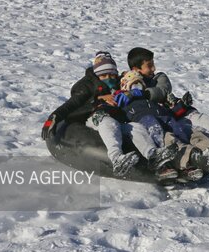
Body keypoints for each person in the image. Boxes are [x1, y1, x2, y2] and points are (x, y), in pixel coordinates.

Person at [41, 52, 178, 178]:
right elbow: (72, 104)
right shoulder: (87, 86)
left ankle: (152, 155)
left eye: (112, 74)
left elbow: (138, 85)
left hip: (115, 118)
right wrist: (54, 117)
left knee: (135, 127)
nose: (109, 78)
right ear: (97, 75)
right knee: (108, 122)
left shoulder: (118, 83)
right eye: (104, 75)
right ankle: (116, 158)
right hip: (94, 117)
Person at [115, 70, 209, 181]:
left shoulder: (152, 101)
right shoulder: (124, 103)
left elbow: (170, 111)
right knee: (171, 140)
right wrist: (122, 98)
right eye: (134, 85)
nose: (138, 89)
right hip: (153, 127)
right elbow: (116, 112)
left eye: (140, 85)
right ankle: (194, 158)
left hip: (168, 120)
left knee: (192, 132)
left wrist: (182, 105)